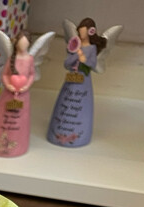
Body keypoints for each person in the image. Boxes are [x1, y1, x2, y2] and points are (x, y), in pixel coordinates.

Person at [47, 17, 106, 147]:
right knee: (66, 102)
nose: (81, 35)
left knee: (80, 104)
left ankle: (79, 135)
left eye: (83, 32)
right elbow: (66, 64)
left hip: (83, 81)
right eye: (80, 32)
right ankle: (58, 132)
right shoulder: (75, 45)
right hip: (71, 80)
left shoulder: (92, 48)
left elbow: (92, 64)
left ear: (90, 32)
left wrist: (84, 59)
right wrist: (76, 55)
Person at [0, 30, 35, 158]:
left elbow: (31, 75)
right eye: (21, 44)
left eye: (25, 44)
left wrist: (26, 86)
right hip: (9, 95)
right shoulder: (11, 59)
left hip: (23, 96)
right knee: (4, 118)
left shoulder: (30, 59)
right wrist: (8, 85)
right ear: (16, 44)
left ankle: (18, 146)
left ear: (29, 44)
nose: (23, 46)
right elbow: (5, 74)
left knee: (19, 120)